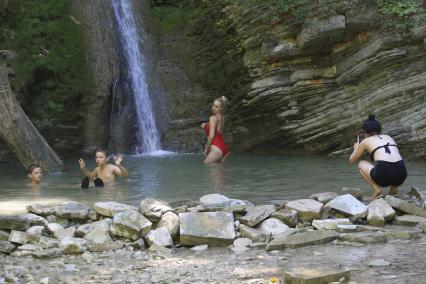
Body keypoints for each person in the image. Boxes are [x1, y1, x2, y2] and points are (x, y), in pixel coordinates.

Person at [349, 115, 407, 199]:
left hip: (383, 175)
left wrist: (356, 148)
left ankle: (376, 190)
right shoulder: (389, 137)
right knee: (394, 164)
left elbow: (351, 160)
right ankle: (394, 189)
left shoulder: (365, 141)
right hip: (401, 175)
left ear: (365, 131)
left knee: (361, 164)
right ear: (379, 129)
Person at [201, 96, 229, 163]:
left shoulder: (212, 118)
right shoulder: (223, 118)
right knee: (219, 172)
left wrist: (206, 148)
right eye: (213, 105)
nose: (214, 108)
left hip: (217, 148)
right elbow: (219, 132)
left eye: (217, 107)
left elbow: (211, 136)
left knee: (206, 167)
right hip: (224, 148)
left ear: (221, 108)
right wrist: (206, 125)